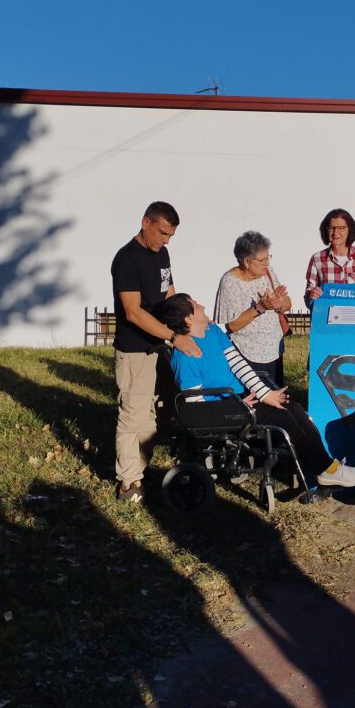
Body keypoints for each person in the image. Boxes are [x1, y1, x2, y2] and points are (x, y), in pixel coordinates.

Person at [156, 294, 355, 490]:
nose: (202, 306)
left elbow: (238, 364)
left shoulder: (213, 332)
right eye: (196, 305)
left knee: (293, 408)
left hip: (237, 399)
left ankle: (326, 467)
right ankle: (325, 468)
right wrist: (235, 406)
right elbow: (195, 403)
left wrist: (264, 393)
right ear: (189, 319)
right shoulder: (184, 356)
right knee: (283, 418)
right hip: (221, 410)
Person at [111, 201, 201, 504]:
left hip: (160, 345)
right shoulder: (126, 259)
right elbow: (133, 312)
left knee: (156, 415)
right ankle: (129, 482)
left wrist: (186, 320)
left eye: (171, 235)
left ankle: (141, 468)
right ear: (145, 222)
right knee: (133, 416)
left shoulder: (162, 254)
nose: (166, 240)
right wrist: (174, 336)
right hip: (135, 350)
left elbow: (169, 295)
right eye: (163, 233)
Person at [213, 231, 291, 385]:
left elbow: (288, 304)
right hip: (247, 354)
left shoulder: (267, 272)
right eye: (262, 260)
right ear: (247, 262)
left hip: (274, 349)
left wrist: (278, 304)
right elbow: (232, 325)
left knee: (276, 394)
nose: (267, 263)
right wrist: (260, 307)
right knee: (255, 397)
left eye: (268, 257)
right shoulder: (230, 282)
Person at [305, 208, 355, 307]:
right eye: (331, 228)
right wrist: (312, 295)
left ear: (349, 230)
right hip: (327, 315)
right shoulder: (317, 259)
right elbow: (308, 298)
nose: (335, 233)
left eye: (341, 228)